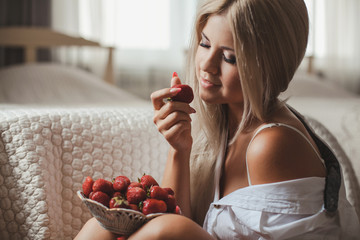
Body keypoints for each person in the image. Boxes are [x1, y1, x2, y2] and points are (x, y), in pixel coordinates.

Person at [75, 0, 360, 239]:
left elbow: (171, 228)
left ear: (269, 65)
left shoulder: (273, 143)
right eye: (204, 43)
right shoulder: (222, 123)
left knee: (167, 229)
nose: (206, 66)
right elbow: (174, 215)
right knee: (99, 228)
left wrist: (172, 229)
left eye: (229, 58)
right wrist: (180, 148)